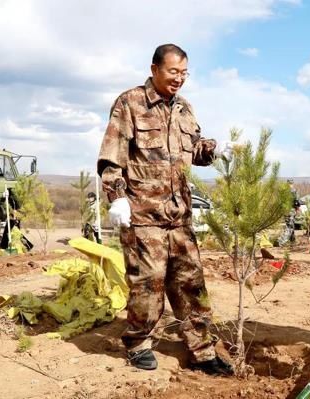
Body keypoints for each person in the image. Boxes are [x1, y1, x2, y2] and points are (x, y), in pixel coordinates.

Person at [97, 44, 235, 375]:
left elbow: (195, 153)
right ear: (155, 69)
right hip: (142, 216)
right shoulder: (130, 103)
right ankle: (138, 342)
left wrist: (216, 149)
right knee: (149, 283)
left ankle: (201, 350)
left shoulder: (185, 109)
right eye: (173, 72)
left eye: (184, 73)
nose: (179, 79)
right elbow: (111, 155)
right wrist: (116, 196)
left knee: (191, 284)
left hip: (179, 217)